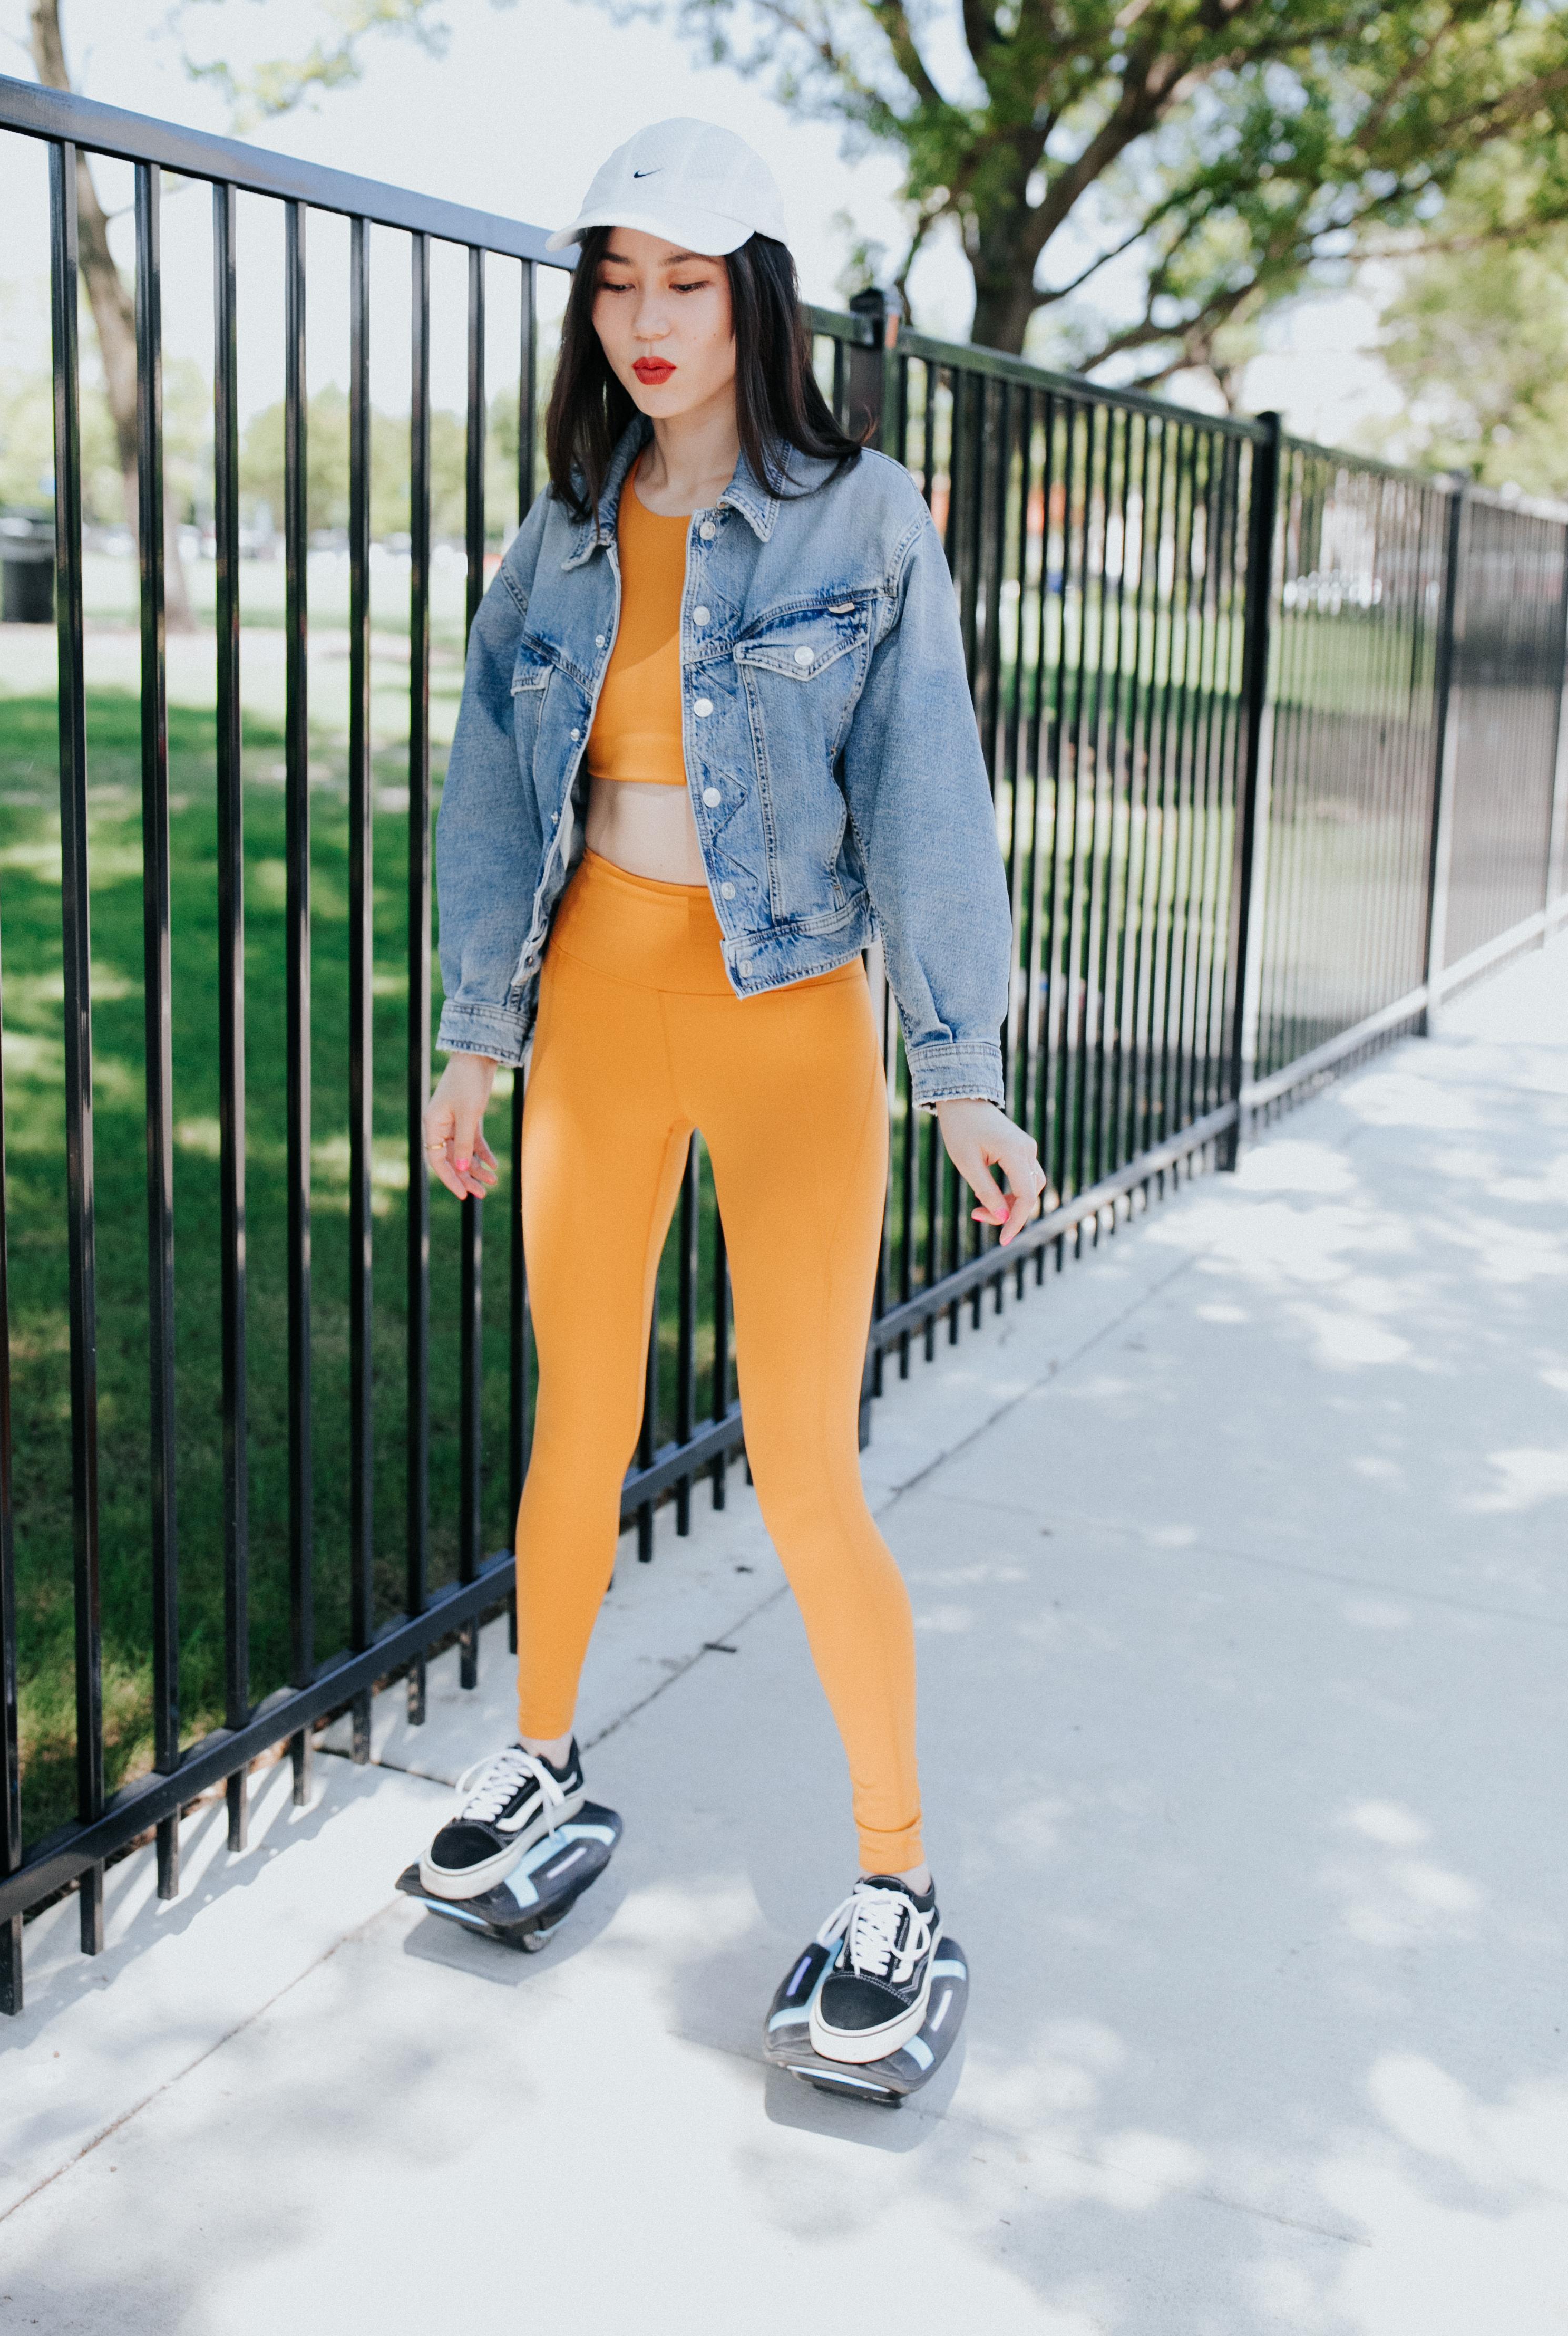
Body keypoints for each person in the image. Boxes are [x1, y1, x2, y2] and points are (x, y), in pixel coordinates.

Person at [415, 117, 1043, 2065]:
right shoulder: (565, 522)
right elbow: (498, 792)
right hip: (598, 1003)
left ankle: (895, 1881)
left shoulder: (862, 518)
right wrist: (474, 1035)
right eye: (617, 278)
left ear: (755, 294)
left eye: (686, 281)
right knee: (577, 1416)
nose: (646, 320)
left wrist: (962, 1080)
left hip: (788, 1022)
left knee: (801, 1462)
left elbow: (930, 797)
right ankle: (539, 1764)